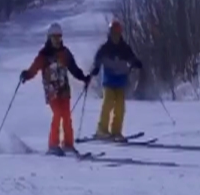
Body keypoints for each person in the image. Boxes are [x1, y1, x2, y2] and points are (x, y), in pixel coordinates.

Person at [20, 22, 90, 156]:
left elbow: (73, 68)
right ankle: (53, 144)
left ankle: (68, 144)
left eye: (59, 37)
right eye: (54, 37)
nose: (57, 40)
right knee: (57, 113)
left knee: (67, 116)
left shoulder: (65, 52)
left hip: (64, 89)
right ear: (49, 38)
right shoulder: (44, 54)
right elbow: (34, 68)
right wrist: (27, 75)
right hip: (51, 90)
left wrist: (83, 78)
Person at [90, 20, 143, 141]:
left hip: (120, 82)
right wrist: (96, 68)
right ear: (110, 34)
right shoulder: (105, 48)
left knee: (120, 107)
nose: (116, 37)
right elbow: (97, 60)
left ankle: (116, 131)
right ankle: (102, 130)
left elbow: (132, 58)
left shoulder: (124, 48)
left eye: (118, 34)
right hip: (109, 81)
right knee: (107, 103)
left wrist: (136, 63)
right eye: (114, 34)